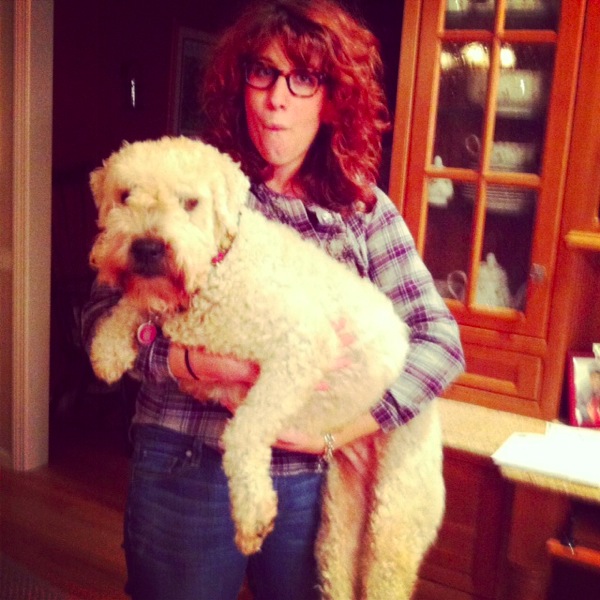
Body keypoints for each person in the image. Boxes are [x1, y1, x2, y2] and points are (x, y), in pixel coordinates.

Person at [82, 1, 465, 598]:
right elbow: (99, 316)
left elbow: (440, 343)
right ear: (241, 83)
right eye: (263, 72)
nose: (276, 99)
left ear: (332, 98)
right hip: (185, 459)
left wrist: (348, 432)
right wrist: (184, 362)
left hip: (309, 477)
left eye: (303, 78)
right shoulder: (188, 178)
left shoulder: (365, 213)